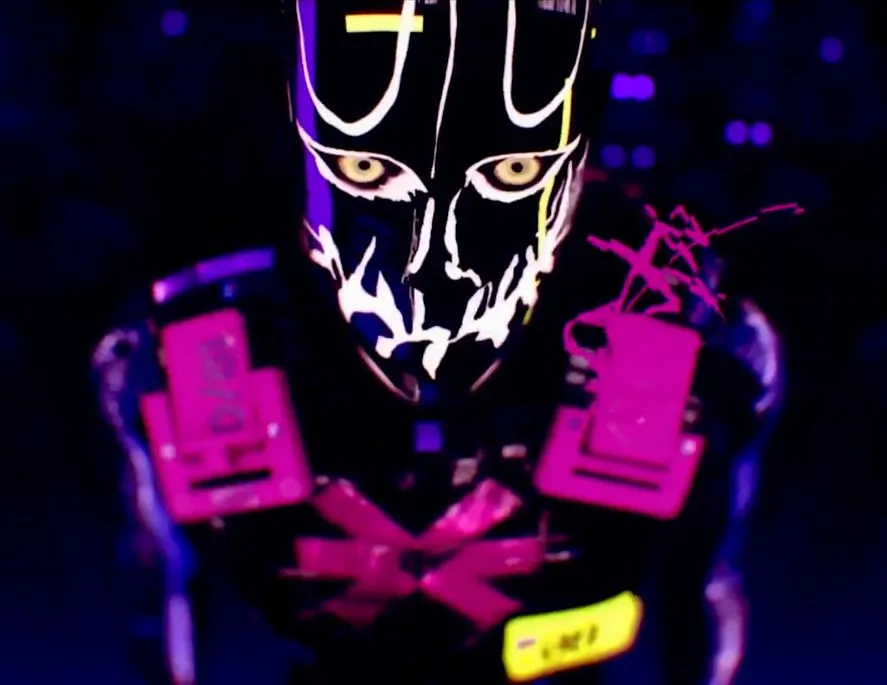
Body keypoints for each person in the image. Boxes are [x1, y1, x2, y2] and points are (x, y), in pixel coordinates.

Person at [92, 2, 793, 683]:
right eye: (372, 170)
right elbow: (161, 590)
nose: (436, 262)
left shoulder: (685, 344)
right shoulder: (187, 343)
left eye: (508, 172)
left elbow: (703, 585)